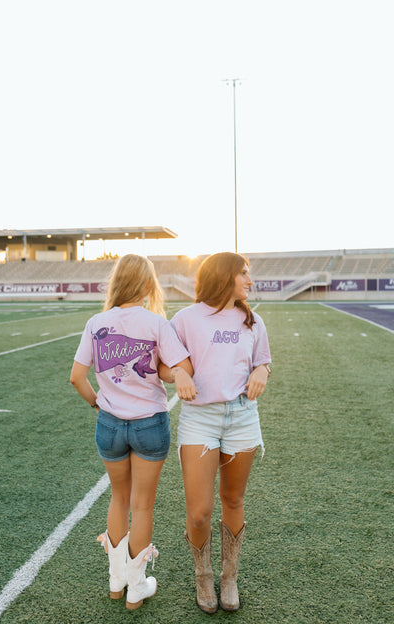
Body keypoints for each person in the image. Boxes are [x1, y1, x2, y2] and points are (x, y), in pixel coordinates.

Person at [70, 254, 196, 611]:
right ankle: (137, 587)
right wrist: (164, 369)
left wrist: (98, 403)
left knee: (118, 499)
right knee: (142, 506)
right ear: (146, 286)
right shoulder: (156, 323)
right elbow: (180, 368)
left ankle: (116, 581)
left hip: (109, 423)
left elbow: (76, 377)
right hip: (149, 424)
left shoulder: (96, 322)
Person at [159, 252, 271, 613]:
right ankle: (203, 575)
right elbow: (164, 365)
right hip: (199, 420)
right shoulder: (186, 319)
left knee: (234, 500)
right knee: (199, 513)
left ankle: (229, 577)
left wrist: (261, 374)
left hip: (241, 417)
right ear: (224, 277)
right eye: (243, 274)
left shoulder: (253, 321)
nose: (249, 281)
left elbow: (263, 362)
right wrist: (180, 374)